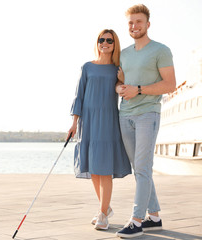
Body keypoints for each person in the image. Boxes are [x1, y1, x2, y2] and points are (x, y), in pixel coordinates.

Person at [115, 4, 176, 238]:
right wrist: (121, 86)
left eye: (138, 22)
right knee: (140, 169)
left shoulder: (161, 50)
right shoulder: (124, 53)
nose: (134, 26)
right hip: (125, 115)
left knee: (141, 168)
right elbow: (121, 81)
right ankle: (155, 217)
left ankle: (137, 220)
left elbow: (170, 84)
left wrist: (138, 90)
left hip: (148, 114)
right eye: (130, 22)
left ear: (147, 24)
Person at [68, 29, 132, 231]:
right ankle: (105, 208)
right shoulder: (87, 67)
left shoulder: (117, 69)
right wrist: (74, 123)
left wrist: (122, 80)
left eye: (109, 40)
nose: (105, 43)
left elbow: (123, 91)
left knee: (104, 169)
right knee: (94, 169)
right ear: (97, 43)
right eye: (101, 40)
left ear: (115, 44)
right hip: (88, 122)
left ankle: (103, 214)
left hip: (107, 121)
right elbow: (78, 95)